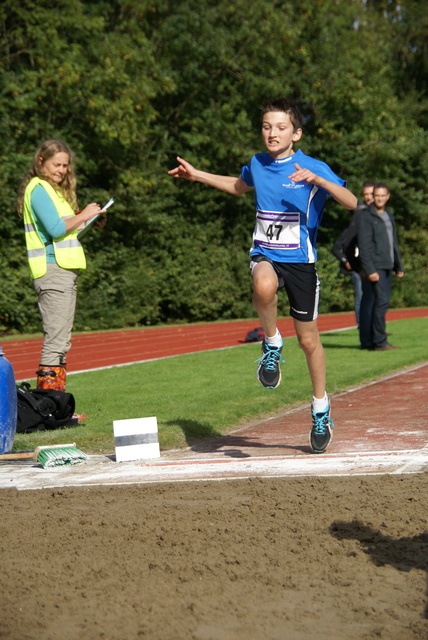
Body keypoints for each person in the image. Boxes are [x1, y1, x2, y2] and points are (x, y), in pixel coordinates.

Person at [168, 97, 357, 454]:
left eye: (281, 127)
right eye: (267, 127)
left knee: (309, 341)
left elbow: (350, 202)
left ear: (296, 133)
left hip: (301, 262)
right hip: (266, 253)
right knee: (263, 283)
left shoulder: (311, 166)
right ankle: (271, 341)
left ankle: (320, 409)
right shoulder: (257, 163)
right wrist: (197, 175)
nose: (272, 133)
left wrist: (318, 180)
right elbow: (239, 187)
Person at [17, 139, 105, 391]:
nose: (62, 170)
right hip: (52, 271)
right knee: (56, 340)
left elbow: (65, 232)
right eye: (57, 164)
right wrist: (84, 215)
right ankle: (48, 403)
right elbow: (56, 230)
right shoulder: (40, 189)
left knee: (61, 340)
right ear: (40, 161)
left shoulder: (53, 191)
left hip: (61, 271)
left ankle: (54, 402)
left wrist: (87, 221)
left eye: (65, 165)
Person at [357, 182, 404, 351]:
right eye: (377, 196)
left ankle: (371, 341)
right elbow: (364, 246)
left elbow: (394, 243)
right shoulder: (366, 216)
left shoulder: (388, 215)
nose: (380, 199)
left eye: (383, 196)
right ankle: (379, 341)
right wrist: (370, 270)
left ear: (388, 196)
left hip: (387, 265)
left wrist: (399, 265)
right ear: (372, 196)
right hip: (376, 267)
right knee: (380, 303)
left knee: (378, 302)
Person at [331, 181, 375, 327]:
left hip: (374, 263)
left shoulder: (381, 214)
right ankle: (361, 326)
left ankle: (374, 328)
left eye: (371, 194)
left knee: (376, 298)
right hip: (360, 265)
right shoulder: (359, 215)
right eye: (366, 194)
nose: (369, 197)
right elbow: (338, 247)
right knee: (361, 297)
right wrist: (349, 261)